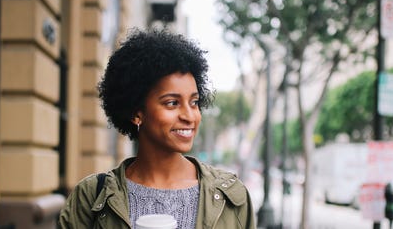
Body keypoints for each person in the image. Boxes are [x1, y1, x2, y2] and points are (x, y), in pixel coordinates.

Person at [58, 28, 256, 229]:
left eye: (194, 102)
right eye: (172, 103)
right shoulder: (91, 197)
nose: (189, 116)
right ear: (137, 112)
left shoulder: (231, 197)